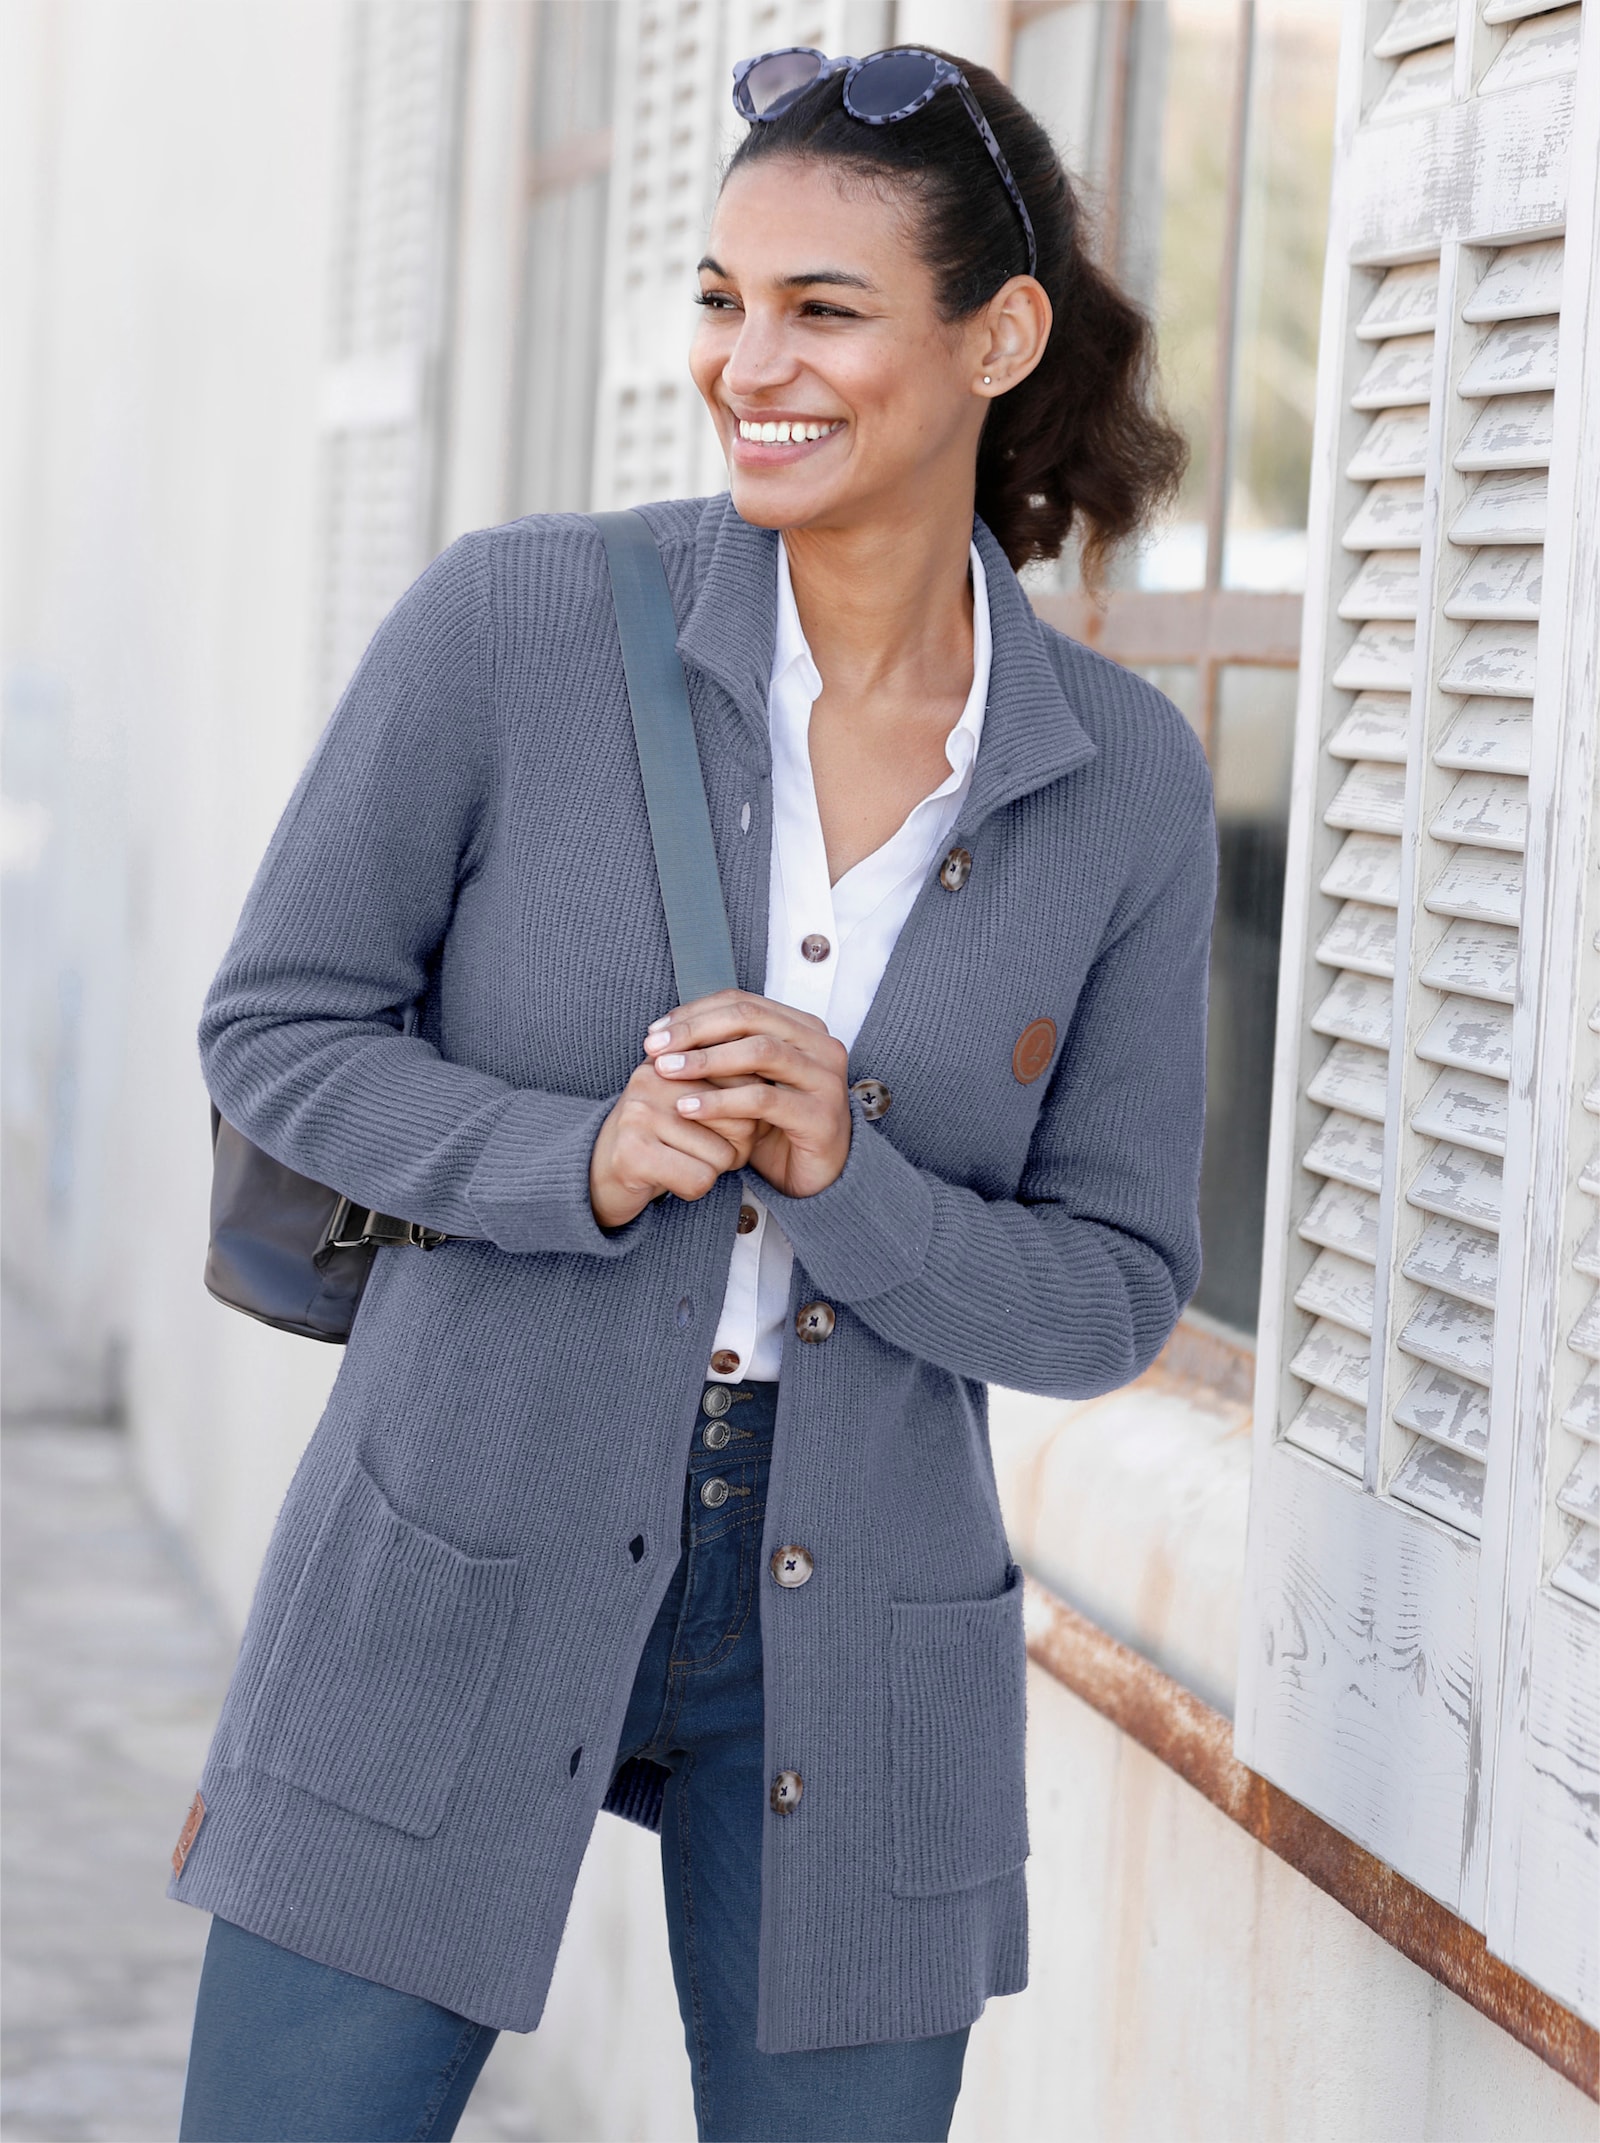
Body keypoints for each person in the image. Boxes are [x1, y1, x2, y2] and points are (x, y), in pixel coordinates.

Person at [173, 44, 1211, 2143]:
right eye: (723, 299)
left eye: (821, 309)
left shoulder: (1121, 780)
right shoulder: (521, 620)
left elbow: (1105, 1294)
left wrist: (854, 1174)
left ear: (995, 337)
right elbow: (277, 1026)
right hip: (453, 1527)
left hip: (865, 1612)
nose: (751, 362)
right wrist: (570, 1153)